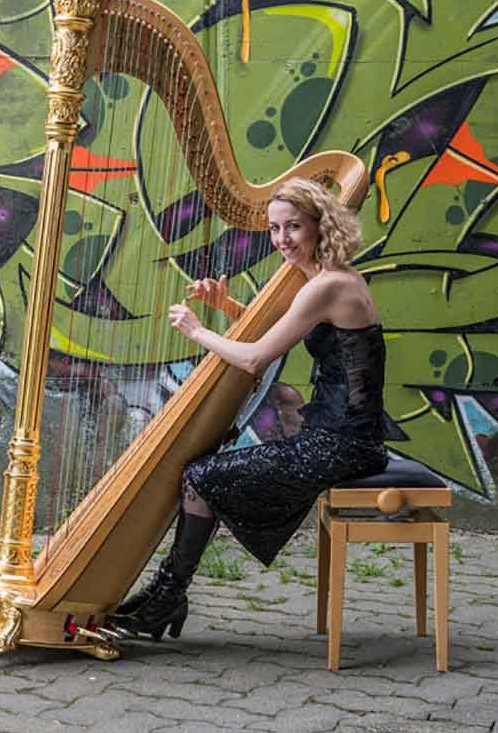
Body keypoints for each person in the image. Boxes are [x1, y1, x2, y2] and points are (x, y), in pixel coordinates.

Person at [112, 177, 388, 639]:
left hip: (342, 444)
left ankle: (167, 596)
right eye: (275, 229)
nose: (282, 240)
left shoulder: (328, 285)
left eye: (293, 227)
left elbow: (258, 358)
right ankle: (166, 595)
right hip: (341, 434)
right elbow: (280, 334)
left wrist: (198, 332)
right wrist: (230, 307)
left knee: (200, 477)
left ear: (322, 225)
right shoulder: (328, 278)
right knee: (203, 475)